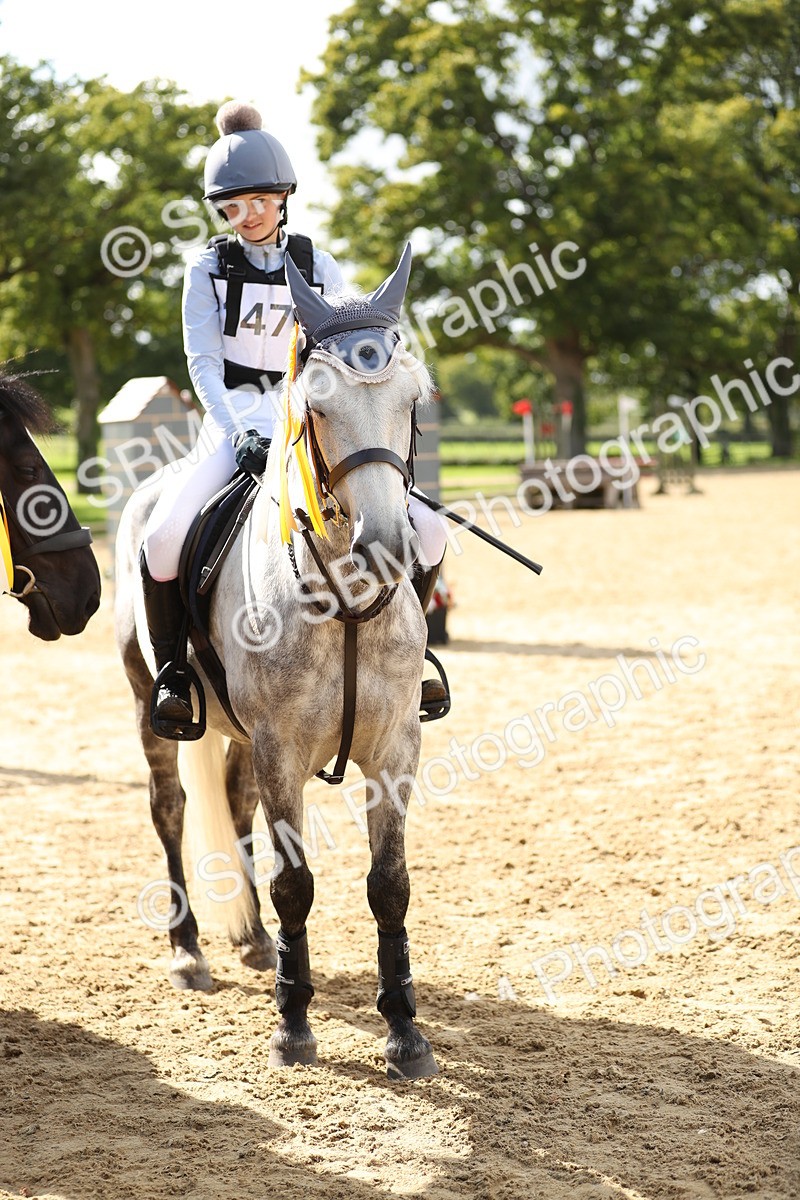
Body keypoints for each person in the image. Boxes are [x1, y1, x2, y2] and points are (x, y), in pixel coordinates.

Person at [139, 102, 447, 739]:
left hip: (310, 413)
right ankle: (175, 676)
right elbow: (202, 362)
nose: (246, 215)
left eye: (258, 200)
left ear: (283, 196)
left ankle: (416, 659)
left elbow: (342, 352)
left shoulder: (317, 263)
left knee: (432, 531)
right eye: (232, 206)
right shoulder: (207, 270)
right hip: (233, 421)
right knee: (162, 540)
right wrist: (238, 431)